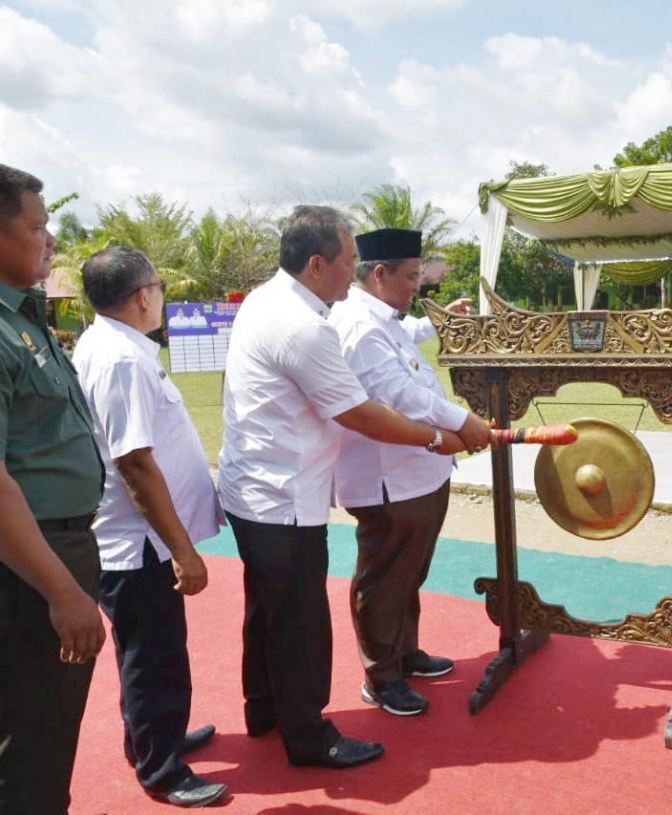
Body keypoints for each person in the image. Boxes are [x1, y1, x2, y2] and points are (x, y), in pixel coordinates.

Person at [218, 205, 467, 768]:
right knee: (301, 623)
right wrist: (437, 437)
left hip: (261, 486)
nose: (355, 272)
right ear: (316, 264)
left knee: (268, 611)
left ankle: (266, 710)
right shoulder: (304, 325)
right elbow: (361, 412)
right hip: (282, 495)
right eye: (349, 260)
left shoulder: (272, 299)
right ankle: (306, 735)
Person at [0, 160, 106, 814]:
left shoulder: (12, 312)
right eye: (38, 227)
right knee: (30, 747)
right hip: (16, 568)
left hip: (36, 555)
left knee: (43, 737)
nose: (50, 239)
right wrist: (61, 589)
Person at [73, 246, 227, 808]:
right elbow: (134, 460)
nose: (161, 295)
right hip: (138, 544)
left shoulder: (116, 345)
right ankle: (162, 769)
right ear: (143, 296)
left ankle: (150, 738)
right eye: (159, 286)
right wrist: (183, 550)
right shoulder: (120, 358)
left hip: (140, 539)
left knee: (150, 651)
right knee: (153, 656)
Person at [330, 228, 493, 716]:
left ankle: (404, 652)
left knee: (409, 570)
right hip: (388, 478)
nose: (417, 286)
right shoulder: (358, 326)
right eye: (411, 277)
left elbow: (404, 340)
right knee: (384, 577)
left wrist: (435, 324)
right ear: (379, 275)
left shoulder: (382, 318)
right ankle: (381, 676)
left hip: (420, 469)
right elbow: (397, 393)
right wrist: (462, 420)